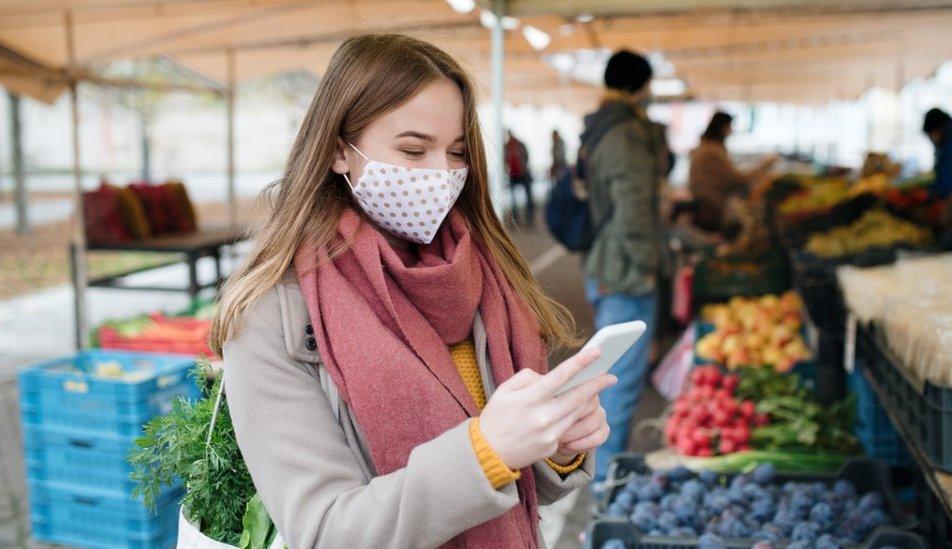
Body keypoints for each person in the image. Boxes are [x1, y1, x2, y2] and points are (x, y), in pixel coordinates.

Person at [212, 34, 615, 548]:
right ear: (339, 149)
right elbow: (325, 531)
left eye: (455, 153)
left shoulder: (481, 271)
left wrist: (554, 446)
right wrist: (485, 451)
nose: (441, 176)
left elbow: (518, 484)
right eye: (412, 149)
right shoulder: (273, 312)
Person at [579, 49, 663, 490]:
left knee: (612, 376)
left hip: (606, 265)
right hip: (625, 271)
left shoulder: (600, 127)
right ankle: (604, 482)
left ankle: (605, 472)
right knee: (620, 383)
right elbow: (633, 212)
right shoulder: (626, 134)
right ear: (639, 86)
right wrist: (651, 263)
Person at [688, 111, 776, 232]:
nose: (731, 130)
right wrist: (764, 166)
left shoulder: (706, 147)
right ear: (722, 127)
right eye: (729, 126)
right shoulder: (713, 151)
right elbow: (736, 179)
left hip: (704, 203)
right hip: (710, 206)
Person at [505, 130, 535, 225]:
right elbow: (505, 160)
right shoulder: (506, 147)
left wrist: (523, 166)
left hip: (523, 173)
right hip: (513, 175)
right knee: (513, 198)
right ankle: (515, 218)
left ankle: (529, 217)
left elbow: (526, 156)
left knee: (528, 195)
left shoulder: (520, 145)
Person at [923, 108, 952, 199]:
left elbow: (946, 180)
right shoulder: (945, 139)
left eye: (930, 135)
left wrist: (931, 193)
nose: (931, 139)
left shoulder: (949, 144)